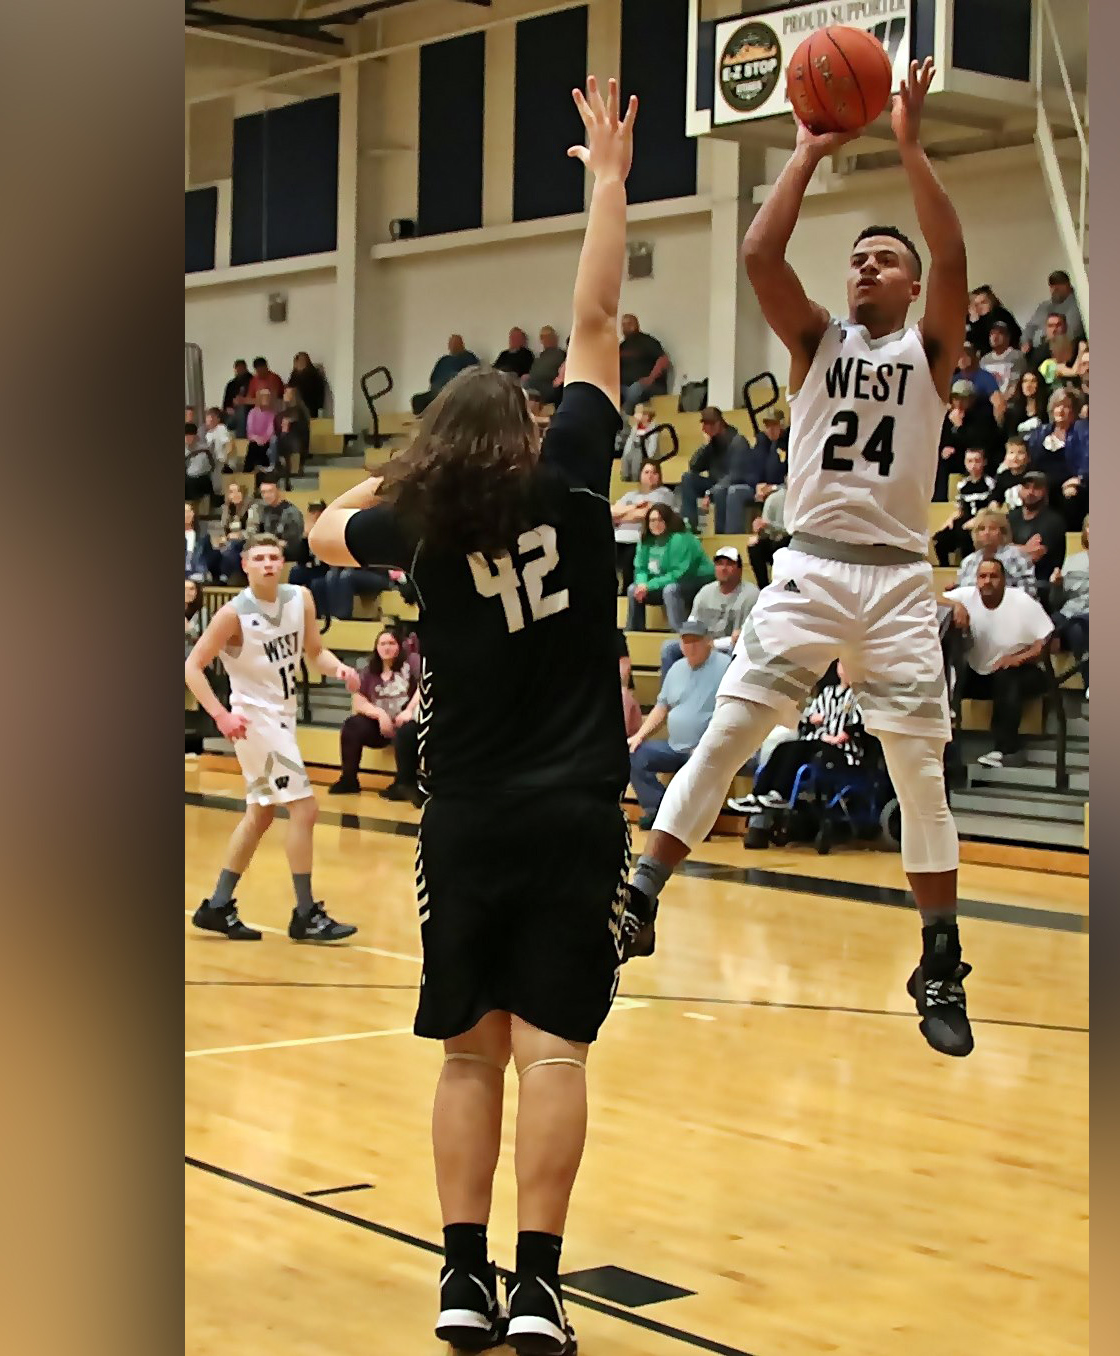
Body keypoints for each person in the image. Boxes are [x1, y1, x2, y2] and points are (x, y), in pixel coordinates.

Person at [306, 76, 640, 1355]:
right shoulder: (572, 479)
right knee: (555, 1056)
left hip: (469, 818)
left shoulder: (416, 527)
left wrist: (409, 474)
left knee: (466, 1057)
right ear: (532, 429)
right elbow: (597, 316)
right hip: (573, 816)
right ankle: (545, 1289)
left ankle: (459, 1278)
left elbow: (318, 526)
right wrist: (604, 179)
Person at [620, 58, 975, 1058]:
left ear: (909, 287)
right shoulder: (815, 341)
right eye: (856, 256)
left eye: (883, 260)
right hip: (811, 570)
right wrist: (808, 152)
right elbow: (758, 254)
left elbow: (951, 251)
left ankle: (937, 956)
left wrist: (907, 146)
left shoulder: (928, 352)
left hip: (899, 579)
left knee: (919, 776)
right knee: (726, 737)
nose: (865, 266)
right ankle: (640, 896)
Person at [184, 533, 361, 944]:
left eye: (274, 556)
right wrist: (221, 716)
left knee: (261, 814)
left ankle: (217, 905)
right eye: (259, 557)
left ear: (282, 562)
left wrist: (339, 671)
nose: (267, 563)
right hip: (253, 721)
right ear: (245, 565)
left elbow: (315, 652)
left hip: (283, 718)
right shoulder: (232, 614)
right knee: (305, 810)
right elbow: (192, 667)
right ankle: (305, 913)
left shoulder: (301, 598)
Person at [944, 556, 1054, 768]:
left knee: (1008, 676)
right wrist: (955, 606)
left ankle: (1008, 749)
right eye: (982, 576)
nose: (987, 581)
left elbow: (1047, 640)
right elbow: (930, 600)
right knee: (951, 670)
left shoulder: (1021, 600)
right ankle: (947, 750)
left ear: (1004, 580)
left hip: (1027, 671)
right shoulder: (966, 596)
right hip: (981, 672)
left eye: (993, 576)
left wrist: (1018, 659)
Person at [625, 617, 732, 828]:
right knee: (632, 754)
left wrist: (709, 742)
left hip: (706, 749)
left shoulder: (725, 666)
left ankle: (686, 819)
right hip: (674, 747)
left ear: (708, 641)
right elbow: (661, 708)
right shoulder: (676, 669)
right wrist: (639, 736)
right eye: (685, 641)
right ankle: (659, 810)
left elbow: (730, 711)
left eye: (695, 641)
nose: (690, 647)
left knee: (701, 766)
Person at [726, 661, 867, 811]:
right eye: (841, 665)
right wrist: (812, 718)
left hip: (841, 751)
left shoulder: (859, 697)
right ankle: (758, 794)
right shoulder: (827, 693)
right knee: (783, 747)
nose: (844, 670)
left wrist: (837, 737)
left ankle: (780, 793)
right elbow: (807, 716)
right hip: (818, 741)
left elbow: (857, 726)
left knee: (797, 750)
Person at [328, 628, 422, 795]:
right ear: (376, 648)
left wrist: (408, 710)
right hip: (381, 726)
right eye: (382, 644)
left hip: (406, 723)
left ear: (400, 646)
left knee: (408, 731)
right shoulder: (369, 669)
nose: (387, 648)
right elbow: (359, 700)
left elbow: (423, 687)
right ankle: (348, 780)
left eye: (391, 643)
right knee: (352, 725)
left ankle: (405, 784)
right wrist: (380, 715)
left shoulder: (412, 662)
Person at [657, 546, 758, 675]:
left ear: (739, 569)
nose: (723, 568)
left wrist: (713, 644)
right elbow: (691, 626)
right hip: (702, 644)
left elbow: (743, 638)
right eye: (719, 564)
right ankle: (668, 693)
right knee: (669, 648)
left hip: (728, 647)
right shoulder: (705, 592)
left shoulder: (751, 595)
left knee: (734, 651)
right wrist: (698, 643)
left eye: (729, 564)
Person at [627, 503, 711, 631]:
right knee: (633, 589)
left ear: (668, 521)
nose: (656, 524)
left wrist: (649, 586)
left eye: (660, 520)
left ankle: (679, 633)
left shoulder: (680, 538)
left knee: (671, 590)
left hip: (696, 580)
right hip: (665, 581)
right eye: (652, 520)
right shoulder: (646, 540)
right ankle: (634, 632)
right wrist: (642, 584)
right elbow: (640, 568)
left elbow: (679, 573)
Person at [676, 406, 752, 533]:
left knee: (720, 491)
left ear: (718, 424)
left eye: (707, 424)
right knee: (687, 478)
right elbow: (694, 466)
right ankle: (690, 527)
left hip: (731, 485)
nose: (703, 429)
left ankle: (720, 534)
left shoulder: (738, 441)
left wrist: (710, 492)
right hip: (714, 484)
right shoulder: (712, 443)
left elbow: (735, 475)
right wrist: (705, 445)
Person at [610, 458, 673, 593]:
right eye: (646, 472)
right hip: (617, 538)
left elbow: (646, 514)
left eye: (654, 473)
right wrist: (634, 507)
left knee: (629, 558)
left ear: (659, 476)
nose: (650, 476)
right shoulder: (630, 495)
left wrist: (622, 517)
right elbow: (611, 511)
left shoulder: (664, 494)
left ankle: (626, 593)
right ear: (640, 475)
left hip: (641, 538)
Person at [931, 445, 997, 564]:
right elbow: (960, 508)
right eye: (969, 461)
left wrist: (977, 520)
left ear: (984, 462)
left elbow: (992, 509)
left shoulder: (990, 483)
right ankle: (946, 569)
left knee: (966, 538)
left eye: (977, 461)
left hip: (981, 522)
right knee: (939, 539)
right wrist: (949, 520)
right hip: (964, 520)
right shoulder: (962, 485)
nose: (973, 465)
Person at [1007, 471, 1067, 596]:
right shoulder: (1010, 517)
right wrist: (1024, 549)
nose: (1030, 492)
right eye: (1026, 487)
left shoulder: (1053, 521)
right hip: (1009, 581)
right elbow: (998, 550)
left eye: (1037, 488)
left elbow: (1035, 555)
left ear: (1045, 492)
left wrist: (1009, 549)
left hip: (1040, 583)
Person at [956, 508, 1036, 596]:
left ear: (1002, 532)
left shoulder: (1017, 556)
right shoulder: (968, 562)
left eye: (992, 528)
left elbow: (1027, 593)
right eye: (982, 529)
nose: (986, 533)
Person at [1051, 516, 1088, 692]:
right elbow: (1058, 600)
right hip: (1070, 612)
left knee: (1078, 628)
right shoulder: (1073, 560)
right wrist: (1057, 585)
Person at [1029, 387, 1088, 484]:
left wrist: (1080, 479)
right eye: (1057, 406)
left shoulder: (1082, 430)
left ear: (1074, 410)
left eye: (1066, 406)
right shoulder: (1040, 432)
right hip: (1040, 487)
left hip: (1071, 485)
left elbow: (1087, 458)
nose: (1060, 410)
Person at [413, 335, 482, 415]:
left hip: (455, 395)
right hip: (437, 394)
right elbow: (432, 379)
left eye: (455, 343)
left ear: (462, 344)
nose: (452, 346)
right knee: (417, 400)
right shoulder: (443, 360)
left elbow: (476, 374)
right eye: (450, 344)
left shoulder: (469, 357)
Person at [617, 313, 670, 413]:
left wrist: (650, 378)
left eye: (629, 323)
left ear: (636, 324)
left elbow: (664, 360)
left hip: (650, 386)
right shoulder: (622, 346)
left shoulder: (647, 341)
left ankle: (625, 420)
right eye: (623, 324)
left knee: (635, 389)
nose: (626, 327)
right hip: (625, 387)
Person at [1021, 270, 1085, 350]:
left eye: (1058, 286)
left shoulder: (1077, 304)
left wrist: (1050, 339)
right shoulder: (1044, 307)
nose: (1054, 289)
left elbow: (1073, 331)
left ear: (1067, 285)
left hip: (1064, 347)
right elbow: (1030, 327)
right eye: (1052, 286)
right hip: (1038, 348)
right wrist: (1026, 341)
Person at [745, 484, 789, 589]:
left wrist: (770, 525)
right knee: (754, 547)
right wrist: (760, 530)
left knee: (784, 542)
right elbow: (767, 530)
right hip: (776, 541)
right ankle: (763, 588)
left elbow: (795, 530)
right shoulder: (774, 498)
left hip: (795, 543)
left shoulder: (803, 500)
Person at [963, 285, 1021, 356]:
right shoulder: (974, 318)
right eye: (976, 304)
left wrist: (975, 323)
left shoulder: (999, 314)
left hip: (1006, 356)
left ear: (991, 301)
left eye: (983, 302)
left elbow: (987, 345)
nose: (979, 307)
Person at [998, 367, 1050, 443]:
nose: (1028, 385)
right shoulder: (1012, 411)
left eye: (1033, 381)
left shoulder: (1047, 407)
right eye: (1025, 381)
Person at [618, 403, 663, 480]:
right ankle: (626, 478)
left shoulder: (653, 428)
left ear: (647, 415)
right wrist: (626, 452)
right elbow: (630, 440)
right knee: (626, 459)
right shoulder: (636, 427)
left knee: (636, 462)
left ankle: (636, 478)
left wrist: (649, 456)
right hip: (634, 447)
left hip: (644, 449)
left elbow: (653, 444)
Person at [524, 326, 566, 405]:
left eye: (549, 337)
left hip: (549, 386)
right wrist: (528, 375)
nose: (547, 340)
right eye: (544, 338)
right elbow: (534, 371)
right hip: (534, 384)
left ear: (555, 338)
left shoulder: (560, 354)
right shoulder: (540, 356)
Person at [244, 388, 280, 474]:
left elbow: (270, 430)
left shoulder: (272, 414)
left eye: (267, 397)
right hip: (255, 440)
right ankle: (247, 473)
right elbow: (250, 430)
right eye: (264, 397)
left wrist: (263, 439)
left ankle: (264, 471)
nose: (266, 399)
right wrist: (257, 438)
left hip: (266, 441)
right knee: (253, 447)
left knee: (265, 447)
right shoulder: (252, 413)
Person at [184, 423, 216, 512]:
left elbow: (203, 469)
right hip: (188, 479)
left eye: (190, 435)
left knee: (190, 482)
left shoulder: (203, 450)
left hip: (201, 479)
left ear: (195, 436)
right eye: (186, 435)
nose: (188, 438)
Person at [288, 351, 328, 418]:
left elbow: (320, 394)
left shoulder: (314, 375)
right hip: (296, 409)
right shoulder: (294, 375)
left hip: (311, 408)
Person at [222, 358, 254, 433]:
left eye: (241, 368)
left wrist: (244, 401)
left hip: (249, 412)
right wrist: (228, 408)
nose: (239, 370)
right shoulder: (231, 384)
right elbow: (225, 403)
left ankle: (241, 439)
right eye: (237, 368)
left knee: (242, 409)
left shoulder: (253, 381)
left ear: (245, 368)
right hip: (232, 414)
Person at [184, 503, 215, 580]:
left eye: (189, 511)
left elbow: (209, 556)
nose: (187, 514)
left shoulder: (203, 536)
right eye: (185, 511)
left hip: (198, 572)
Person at [201, 407, 234, 471]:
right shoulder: (206, 433)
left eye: (211, 417)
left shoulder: (221, 428)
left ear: (218, 419)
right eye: (208, 417)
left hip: (220, 462)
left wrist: (224, 460)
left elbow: (229, 445)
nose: (209, 420)